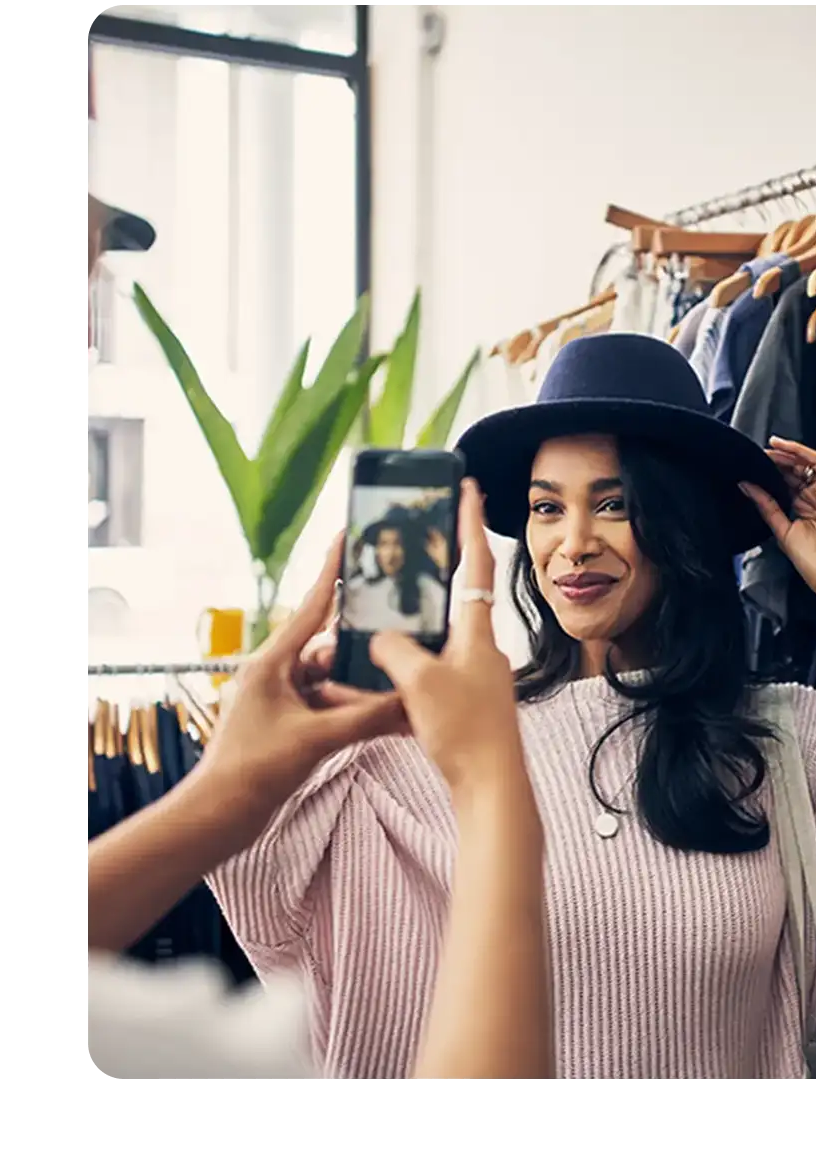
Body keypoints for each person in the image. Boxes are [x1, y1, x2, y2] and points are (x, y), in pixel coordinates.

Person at [211, 333, 816, 1079]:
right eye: (547, 508)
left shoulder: (794, 739)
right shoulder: (429, 743)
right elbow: (257, 883)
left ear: (678, 523)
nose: (574, 543)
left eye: (614, 504)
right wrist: (316, 699)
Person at [85, 50, 551, 1080]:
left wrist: (224, 793)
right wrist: (491, 788)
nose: (91, 309)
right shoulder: (161, 1047)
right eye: (81, 259)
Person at [345, 516, 448, 635]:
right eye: (383, 544)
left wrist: (444, 564)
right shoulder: (359, 588)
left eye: (397, 544)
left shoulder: (426, 587)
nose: (391, 553)